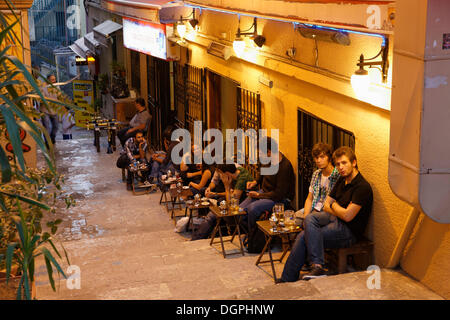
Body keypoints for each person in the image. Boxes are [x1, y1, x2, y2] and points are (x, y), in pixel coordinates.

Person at [281, 146, 373, 282]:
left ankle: (293, 276)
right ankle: (314, 267)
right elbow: (326, 205)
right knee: (310, 218)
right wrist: (338, 208)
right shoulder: (342, 180)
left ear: (354, 163)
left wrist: (334, 206)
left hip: (348, 231)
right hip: (334, 219)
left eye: (344, 163)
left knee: (303, 236)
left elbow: (348, 216)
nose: (341, 167)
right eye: (338, 164)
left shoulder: (362, 187)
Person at [239, 137, 295, 234]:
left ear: (269, 152)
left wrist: (258, 196)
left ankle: (254, 238)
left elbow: (279, 194)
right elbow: (261, 173)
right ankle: (250, 234)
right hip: (264, 193)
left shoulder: (284, 167)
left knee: (252, 209)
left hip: (279, 199)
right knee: (240, 210)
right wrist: (255, 182)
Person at [191, 162, 254, 241]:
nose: (220, 176)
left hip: (243, 204)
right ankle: (200, 236)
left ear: (226, 173)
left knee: (212, 215)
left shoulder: (241, 179)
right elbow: (231, 194)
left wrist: (226, 185)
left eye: (221, 174)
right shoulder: (236, 172)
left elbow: (232, 203)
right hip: (238, 200)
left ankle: (197, 238)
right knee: (213, 212)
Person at [41, 74, 70, 144]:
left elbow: (60, 97)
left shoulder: (57, 87)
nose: (54, 81)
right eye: (52, 79)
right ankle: (47, 142)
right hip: (45, 110)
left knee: (56, 126)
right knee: (47, 127)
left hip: (54, 110)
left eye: (54, 79)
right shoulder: (43, 88)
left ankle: (52, 137)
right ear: (48, 80)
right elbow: (41, 99)